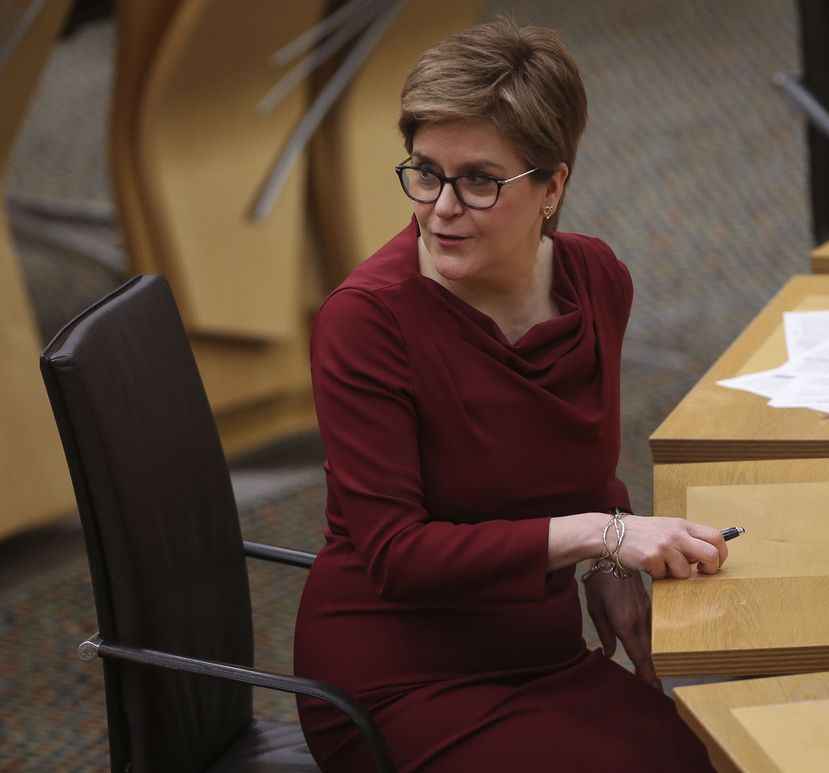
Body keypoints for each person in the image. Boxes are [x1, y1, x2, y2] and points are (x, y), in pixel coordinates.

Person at [294, 18, 725, 772]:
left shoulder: (597, 282)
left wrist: (610, 561)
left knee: (718, 749)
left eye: (480, 181)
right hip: (397, 677)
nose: (441, 208)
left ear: (553, 185)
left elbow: (578, 465)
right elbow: (398, 554)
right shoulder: (365, 321)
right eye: (425, 171)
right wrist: (605, 537)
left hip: (540, 650)